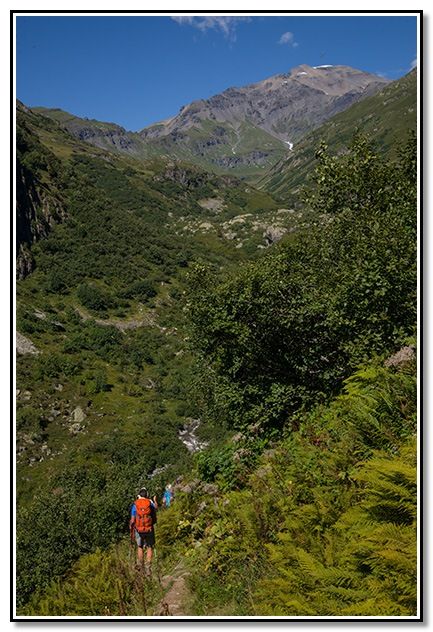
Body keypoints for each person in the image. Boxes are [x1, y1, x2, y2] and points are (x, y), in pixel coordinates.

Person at [129, 488, 157, 575]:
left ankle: (141, 566)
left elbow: (132, 520)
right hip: (149, 528)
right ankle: (148, 567)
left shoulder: (135, 505)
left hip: (139, 529)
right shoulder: (149, 503)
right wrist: (155, 500)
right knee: (149, 547)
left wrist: (131, 528)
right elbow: (155, 511)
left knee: (140, 546)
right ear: (147, 495)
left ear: (139, 495)